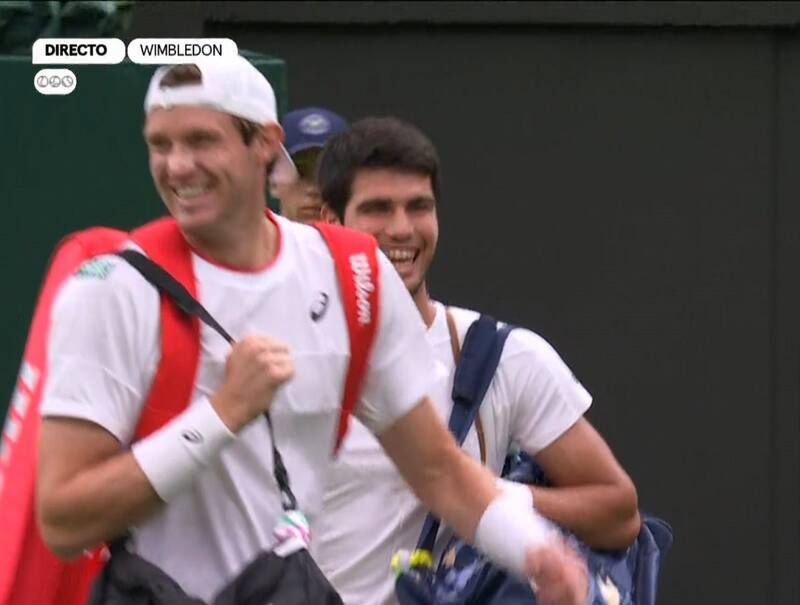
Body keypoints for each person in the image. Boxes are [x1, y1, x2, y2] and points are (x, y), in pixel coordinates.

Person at [34, 56, 588, 604]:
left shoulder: (353, 274)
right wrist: (222, 414)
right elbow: (62, 521)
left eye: (201, 141)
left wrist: (536, 554)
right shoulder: (108, 289)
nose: (178, 166)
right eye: (161, 144)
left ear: (265, 145)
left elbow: (438, 470)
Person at [314, 116, 641, 605]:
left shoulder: (502, 356)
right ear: (330, 222)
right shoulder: (288, 350)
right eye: (378, 209)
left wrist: (485, 497)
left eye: (419, 207)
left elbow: (618, 512)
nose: (402, 228)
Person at [271, 106, 348, 223]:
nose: (313, 189)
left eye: (326, 174)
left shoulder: (367, 241)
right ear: (273, 183)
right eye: (299, 171)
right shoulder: (246, 240)